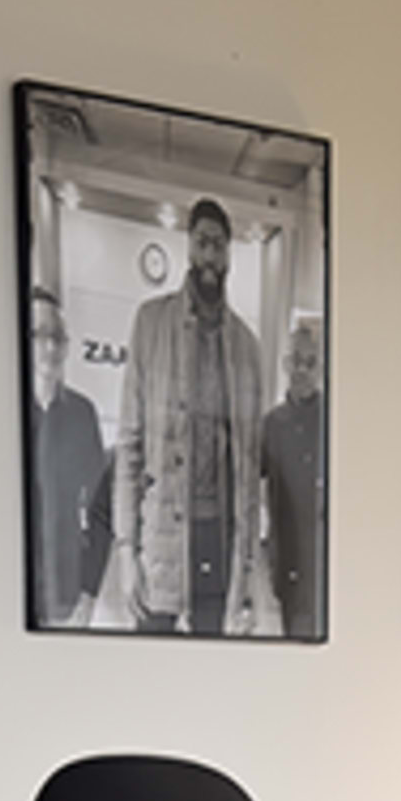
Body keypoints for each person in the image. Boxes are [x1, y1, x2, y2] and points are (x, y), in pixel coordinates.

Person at [107, 198, 268, 636]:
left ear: (230, 254)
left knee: (212, 677)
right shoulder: (151, 324)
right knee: (150, 676)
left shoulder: (248, 349)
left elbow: (250, 470)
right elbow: (130, 447)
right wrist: (126, 553)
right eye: (202, 243)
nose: (210, 256)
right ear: (188, 248)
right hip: (162, 539)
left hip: (220, 541)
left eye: (219, 245)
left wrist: (248, 577)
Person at [25, 286, 112, 626]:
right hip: (9, 589)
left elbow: (98, 512)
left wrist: (89, 593)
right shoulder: (2, 414)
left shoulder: (81, 414)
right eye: (40, 335)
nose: (51, 347)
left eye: (59, 337)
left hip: (67, 597)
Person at [257, 315, 325, 640]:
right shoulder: (272, 424)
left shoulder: (333, 422)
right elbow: (249, 479)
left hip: (325, 559)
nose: (301, 370)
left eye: (310, 363)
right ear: (285, 364)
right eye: (295, 361)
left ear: (321, 368)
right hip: (288, 560)